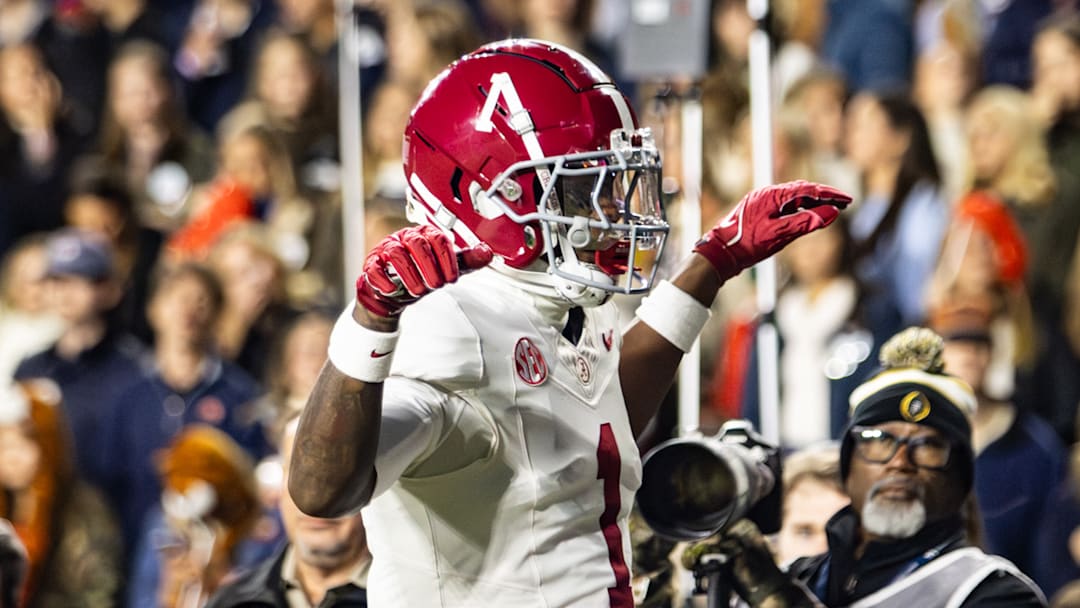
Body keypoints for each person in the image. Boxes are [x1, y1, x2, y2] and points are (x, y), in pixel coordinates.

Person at [288, 38, 850, 607]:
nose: (612, 211)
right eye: (581, 189)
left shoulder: (559, 299)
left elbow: (588, 417)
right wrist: (370, 324)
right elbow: (323, 490)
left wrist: (714, 262)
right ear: (483, 193)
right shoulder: (448, 325)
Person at [684, 327, 1047, 607]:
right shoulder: (802, 576)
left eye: (928, 446)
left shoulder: (995, 593)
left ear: (960, 478)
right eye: (879, 439)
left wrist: (774, 595)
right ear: (849, 465)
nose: (900, 462)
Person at [207, 415, 369, 607]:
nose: (315, 497)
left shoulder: (407, 597)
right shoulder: (231, 602)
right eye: (300, 473)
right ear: (279, 489)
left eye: (336, 474)